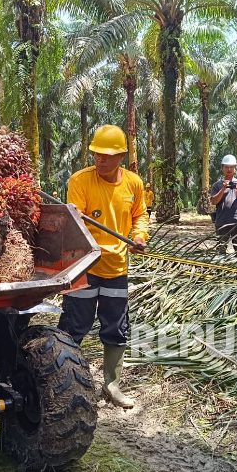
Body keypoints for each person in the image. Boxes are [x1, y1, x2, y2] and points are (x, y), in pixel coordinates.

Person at [59, 124, 148, 408]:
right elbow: (76, 224)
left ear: (121, 155)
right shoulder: (80, 181)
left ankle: (111, 385)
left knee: (116, 327)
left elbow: (140, 215)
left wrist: (138, 237)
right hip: (85, 267)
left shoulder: (133, 183)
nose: (100, 159)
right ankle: (62, 381)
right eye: (97, 153)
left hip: (116, 268)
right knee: (76, 325)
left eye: (107, 155)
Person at [210, 155, 237, 254]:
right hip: (221, 222)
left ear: (235, 168)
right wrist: (223, 189)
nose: (229, 169)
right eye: (226, 167)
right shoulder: (217, 185)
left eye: (231, 167)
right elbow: (214, 201)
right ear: (222, 169)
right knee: (221, 251)